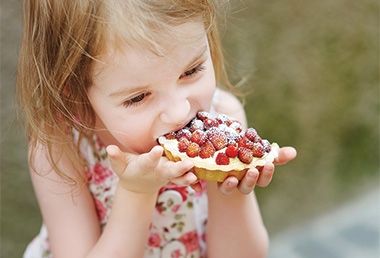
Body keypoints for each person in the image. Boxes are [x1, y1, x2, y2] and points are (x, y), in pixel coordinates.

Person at [17, 0, 297, 257]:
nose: (179, 112)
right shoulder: (60, 149)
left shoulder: (223, 115)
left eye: (191, 71)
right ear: (75, 97)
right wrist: (137, 192)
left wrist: (230, 186)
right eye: (138, 97)